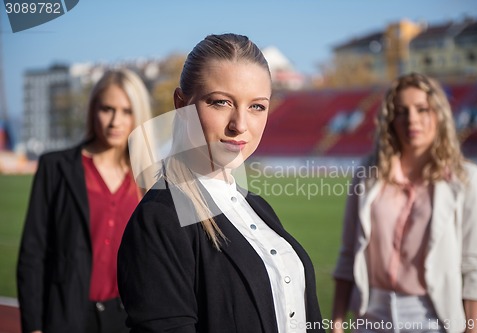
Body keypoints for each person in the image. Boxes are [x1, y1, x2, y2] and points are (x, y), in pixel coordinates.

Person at [117, 33, 324, 333]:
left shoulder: (257, 206)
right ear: (181, 105)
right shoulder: (160, 220)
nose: (240, 125)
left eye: (257, 107)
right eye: (221, 102)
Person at [331, 72, 477, 333]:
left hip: (433, 317)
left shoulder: (465, 178)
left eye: (422, 109)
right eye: (402, 111)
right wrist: (336, 324)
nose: (412, 120)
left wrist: (474, 330)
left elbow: (476, 264)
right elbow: (348, 253)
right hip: (371, 316)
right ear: (391, 119)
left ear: (439, 115)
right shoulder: (368, 173)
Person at [17, 68, 153, 333]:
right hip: (67, 315)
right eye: (107, 109)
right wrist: (33, 326)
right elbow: (32, 254)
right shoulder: (55, 167)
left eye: (126, 111)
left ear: (139, 115)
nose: (115, 121)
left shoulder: (148, 178)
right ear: (93, 110)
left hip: (129, 319)